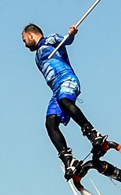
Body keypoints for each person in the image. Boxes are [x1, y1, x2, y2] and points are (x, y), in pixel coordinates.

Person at [22, 23, 114, 179]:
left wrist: (71, 34)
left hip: (67, 79)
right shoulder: (37, 57)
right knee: (50, 122)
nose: (25, 45)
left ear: (31, 35)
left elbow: (66, 41)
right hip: (56, 90)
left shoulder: (50, 40)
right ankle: (68, 158)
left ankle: (92, 133)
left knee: (65, 101)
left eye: (25, 40)